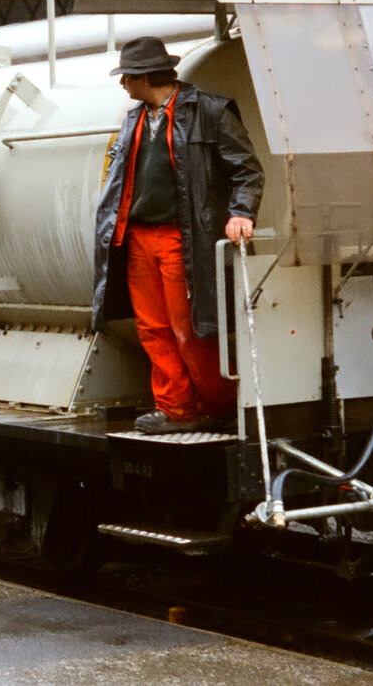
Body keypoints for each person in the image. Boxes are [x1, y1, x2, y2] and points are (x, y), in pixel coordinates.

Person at [91, 36, 265, 435]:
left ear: (146, 77)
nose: (123, 84)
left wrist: (241, 212)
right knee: (152, 327)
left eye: (127, 77)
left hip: (181, 237)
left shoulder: (210, 111)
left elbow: (247, 169)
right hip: (139, 237)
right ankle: (176, 408)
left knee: (189, 327)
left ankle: (218, 405)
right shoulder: (134, 118)